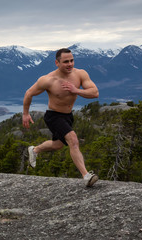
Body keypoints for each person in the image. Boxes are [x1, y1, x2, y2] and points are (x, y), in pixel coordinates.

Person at [22, 48, 99, 187]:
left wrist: (76, 90)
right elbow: (29, 93)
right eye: (66, 62)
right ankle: (86, 175)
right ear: (57, 63)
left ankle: (35, 150)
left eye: (72, 60)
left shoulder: (80, 74)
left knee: (58, 145)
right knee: (73, 140)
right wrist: (25, 114)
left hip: (68, 116)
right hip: (53, 116)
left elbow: (95, 93)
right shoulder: (48, 80)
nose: (70, 64)